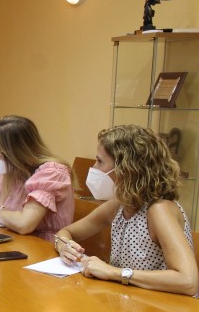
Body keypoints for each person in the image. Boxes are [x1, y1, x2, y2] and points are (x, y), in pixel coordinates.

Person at [55, 125, 198, 296]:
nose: (94, 167)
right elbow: (66, 232)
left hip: (166, 310)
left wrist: (114, 272)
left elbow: (188, 281)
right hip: (131, 302)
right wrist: (63, 246)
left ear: (126, 169)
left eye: (100, 161)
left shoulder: (159, 210)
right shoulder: (120, 204)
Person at [0, 115, 75, 241]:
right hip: (14, 239)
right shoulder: (10, 170)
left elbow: (25, 224)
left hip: (43, 247)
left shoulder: (52, 173)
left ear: (13, 153)